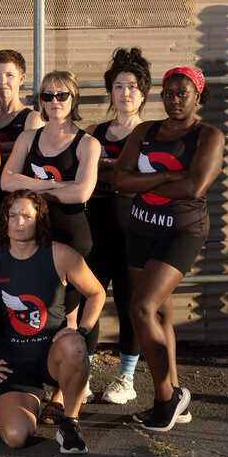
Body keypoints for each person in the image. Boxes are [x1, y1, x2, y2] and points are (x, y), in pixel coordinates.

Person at [112, 67, 224, 432]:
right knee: (159, 312)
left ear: (197, 97)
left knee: (141, 308)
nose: (174, 100)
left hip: (181, 231)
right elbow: (120, 180)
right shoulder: (145, 131)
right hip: (141, 227)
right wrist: (168, 176)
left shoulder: (208, 135)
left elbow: (195, 187)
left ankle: (165, 399)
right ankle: (177, 393)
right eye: (169, 93)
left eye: (182, 94)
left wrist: (145, 182)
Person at [0, 190, 105, 454]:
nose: (19, 222)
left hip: (51, 355)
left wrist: (82, 330)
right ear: (4, 220)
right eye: (13, 216)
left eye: (27, 216)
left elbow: (96, 293)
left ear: (40, 220)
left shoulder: (61, 255)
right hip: (13, 363)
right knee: (15, 437)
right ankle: (30, 403)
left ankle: (69, 423)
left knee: (75, 346)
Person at [1, 70, 101, 414]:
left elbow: (81, 193)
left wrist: (30, 187)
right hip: (33, 233)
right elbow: (5, 182)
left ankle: (64, 393)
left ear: (74, 98)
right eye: (47, 96)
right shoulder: (28, 137)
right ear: (39, 101)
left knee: (69, 317)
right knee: (37, 307)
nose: (54, 101)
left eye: (62, 95)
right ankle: (31, 376)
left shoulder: (87, 143)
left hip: (71, 234)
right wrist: (56, 186)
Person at [83, 48, 151, 405]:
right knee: (89, 301)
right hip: (94, 226)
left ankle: (126, 378)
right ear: (110, 91)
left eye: (132, 86)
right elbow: (80, 171)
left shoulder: (151, 133)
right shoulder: (94, 132)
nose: (125, 93)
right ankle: (82, 374)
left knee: (128, 304)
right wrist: (117, 170)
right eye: (119, 86)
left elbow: (141, 179)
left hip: (132, 227)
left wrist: (107, 169)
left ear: (143, 93)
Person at [0, 50, 44, 248]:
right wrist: (13, 147)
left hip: (16, 206)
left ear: (21, 79)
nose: (2, 81)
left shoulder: (32, 118)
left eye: (9, 75)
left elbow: (27, 158)